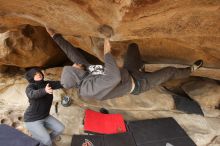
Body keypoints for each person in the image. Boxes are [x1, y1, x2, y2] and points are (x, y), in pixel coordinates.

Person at [45, 26, 203, 100]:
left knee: (133, 48)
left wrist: (55, 37)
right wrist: (107, 53)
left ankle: (141, 67)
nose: (75, 64)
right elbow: (113, 78)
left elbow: (71, 53)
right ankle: (190, 69)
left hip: (129, 71)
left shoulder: (84, 71)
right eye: (73, 67)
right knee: (169, 71)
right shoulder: (88, 89)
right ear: (75, 75)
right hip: (139, 84)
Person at [24, 68, 65, 146]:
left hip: (45, 116)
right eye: (35, 74)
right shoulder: (31, 86)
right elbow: (31, 94)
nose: (38, 74)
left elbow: (60, 84)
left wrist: (75, 80)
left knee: (60, 129)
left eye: (39, 72)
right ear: (31, 77)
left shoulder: (47, 83)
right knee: (46, 140)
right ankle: (44, 142)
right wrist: (45, 91)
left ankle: (42, 142)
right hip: (32, 120)